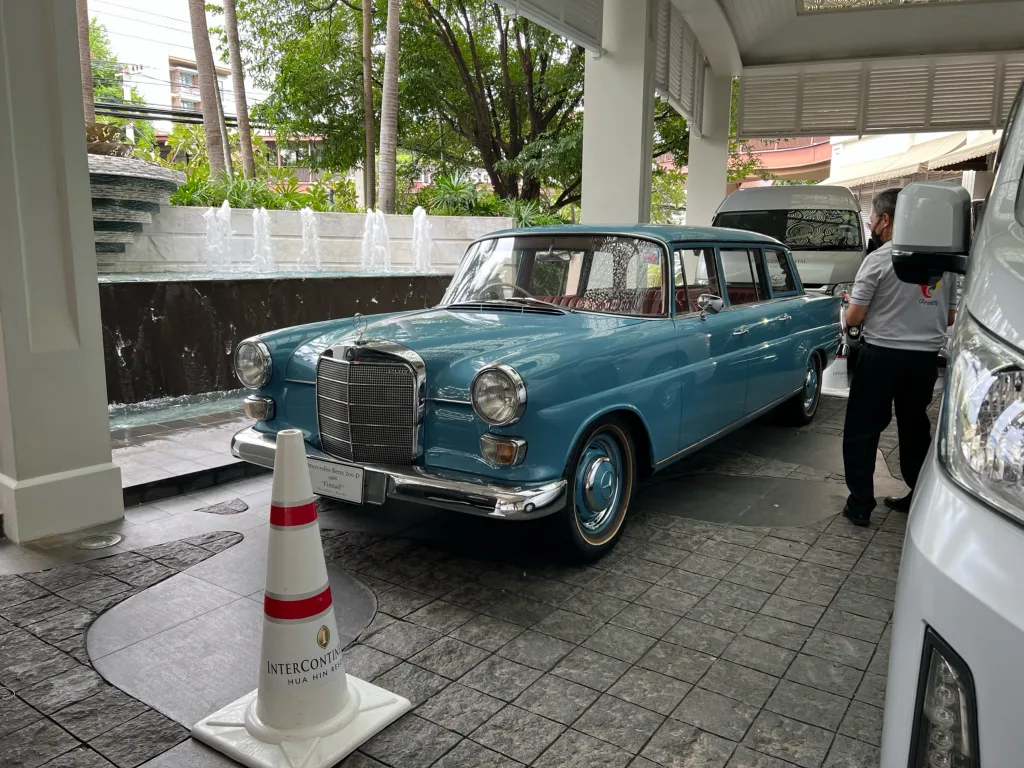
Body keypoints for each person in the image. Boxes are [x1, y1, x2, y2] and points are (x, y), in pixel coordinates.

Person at [841, 188, 957, 526]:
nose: (873, 225)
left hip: (881, 356)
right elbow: (948, 318)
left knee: (863, 429)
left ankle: (861, 504)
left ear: (886, 219)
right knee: (914, 426)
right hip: (923, 361)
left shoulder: (878, 260)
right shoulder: (942, 264)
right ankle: (920, 498)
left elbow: (854, 317)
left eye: (873, 219)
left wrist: (853, 307)